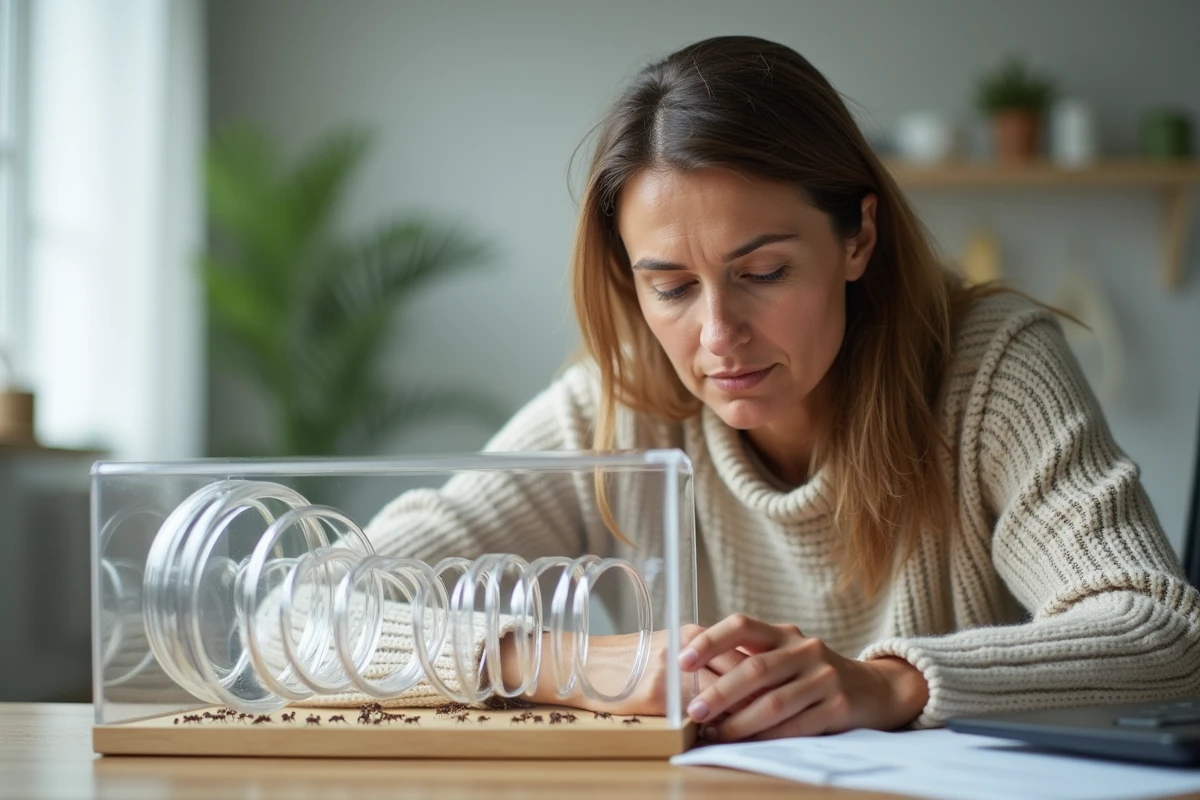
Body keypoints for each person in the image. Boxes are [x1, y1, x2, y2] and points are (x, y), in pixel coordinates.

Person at [335, 35, 1200, 742]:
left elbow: (1165, 631)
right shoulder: (616, 406)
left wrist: (889, 684)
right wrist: (570, 661)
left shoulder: (993, 370)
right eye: (670, 286)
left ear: (858, 237)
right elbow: (307, 611)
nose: (717, 336)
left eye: (765, 270)